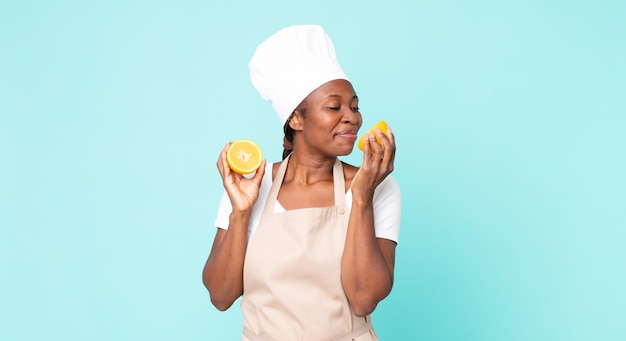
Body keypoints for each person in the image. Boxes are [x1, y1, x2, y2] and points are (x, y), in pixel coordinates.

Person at [202, 25, 401, 341]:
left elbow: (364, 298)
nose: (352, 117)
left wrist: (362, 197)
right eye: (334, 107)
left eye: (354, 106)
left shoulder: (377, 186)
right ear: (296, 119)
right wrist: (240, 212)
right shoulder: (250, 184)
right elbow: (221, 295)